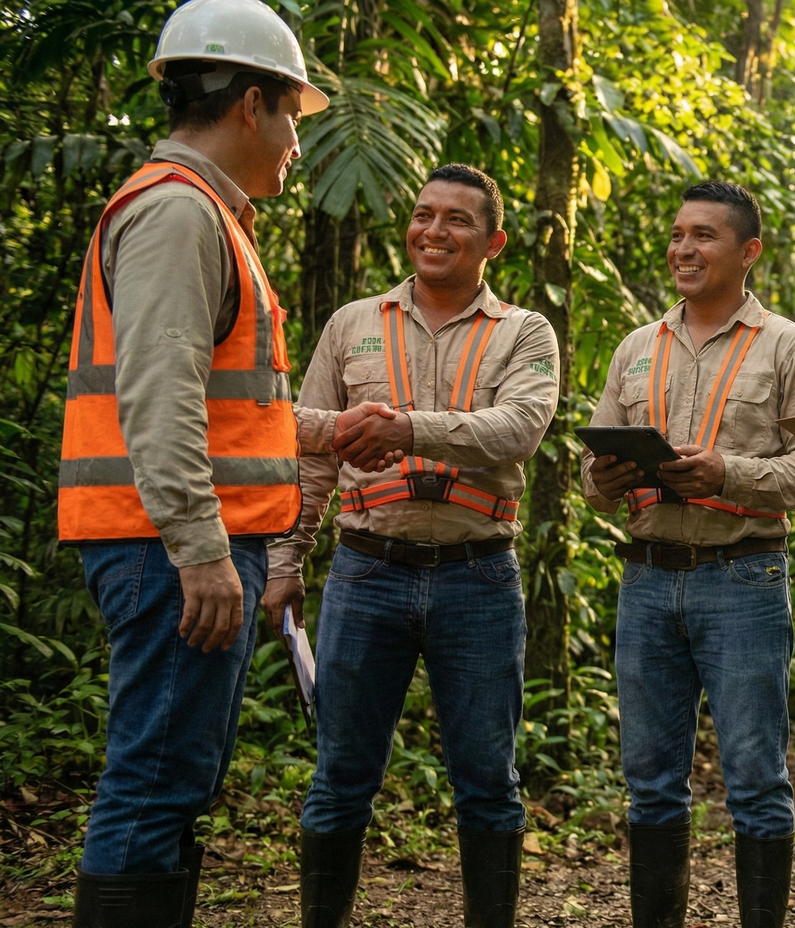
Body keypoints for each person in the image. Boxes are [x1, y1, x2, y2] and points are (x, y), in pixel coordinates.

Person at [55, 1, 336, 924]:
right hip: (164, 546)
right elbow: (158, 391)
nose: (299, 138)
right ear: (251, 103)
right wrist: (199, 545)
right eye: (296, 113)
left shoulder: (206, 213)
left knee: (177, 779)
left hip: (174, 542)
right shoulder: (180, 212)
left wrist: (324, 432)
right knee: (155, 782)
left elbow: (223, 405)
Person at [259, 165, 560, 928]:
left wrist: (407, 428)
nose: (434, 230)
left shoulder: (524, 332)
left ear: (492, 241)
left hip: (479, 578)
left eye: (456, 220)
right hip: (367, 574)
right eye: (424, 214)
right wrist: (288, 560)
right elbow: (309, 451)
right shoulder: (352, 323)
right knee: (339, 777)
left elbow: (520, 428)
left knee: (488, 781)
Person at [581, 181, 795, 928]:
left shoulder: (791, 347)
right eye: (677, 235)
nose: (683, 250)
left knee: (757, 779)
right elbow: (596, 486)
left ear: (748, 251)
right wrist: (606, 476)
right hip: (648, 582)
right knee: (651, 783)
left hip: (744, 579)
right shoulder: (637, 347)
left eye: (704, 236)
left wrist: (728, 472)